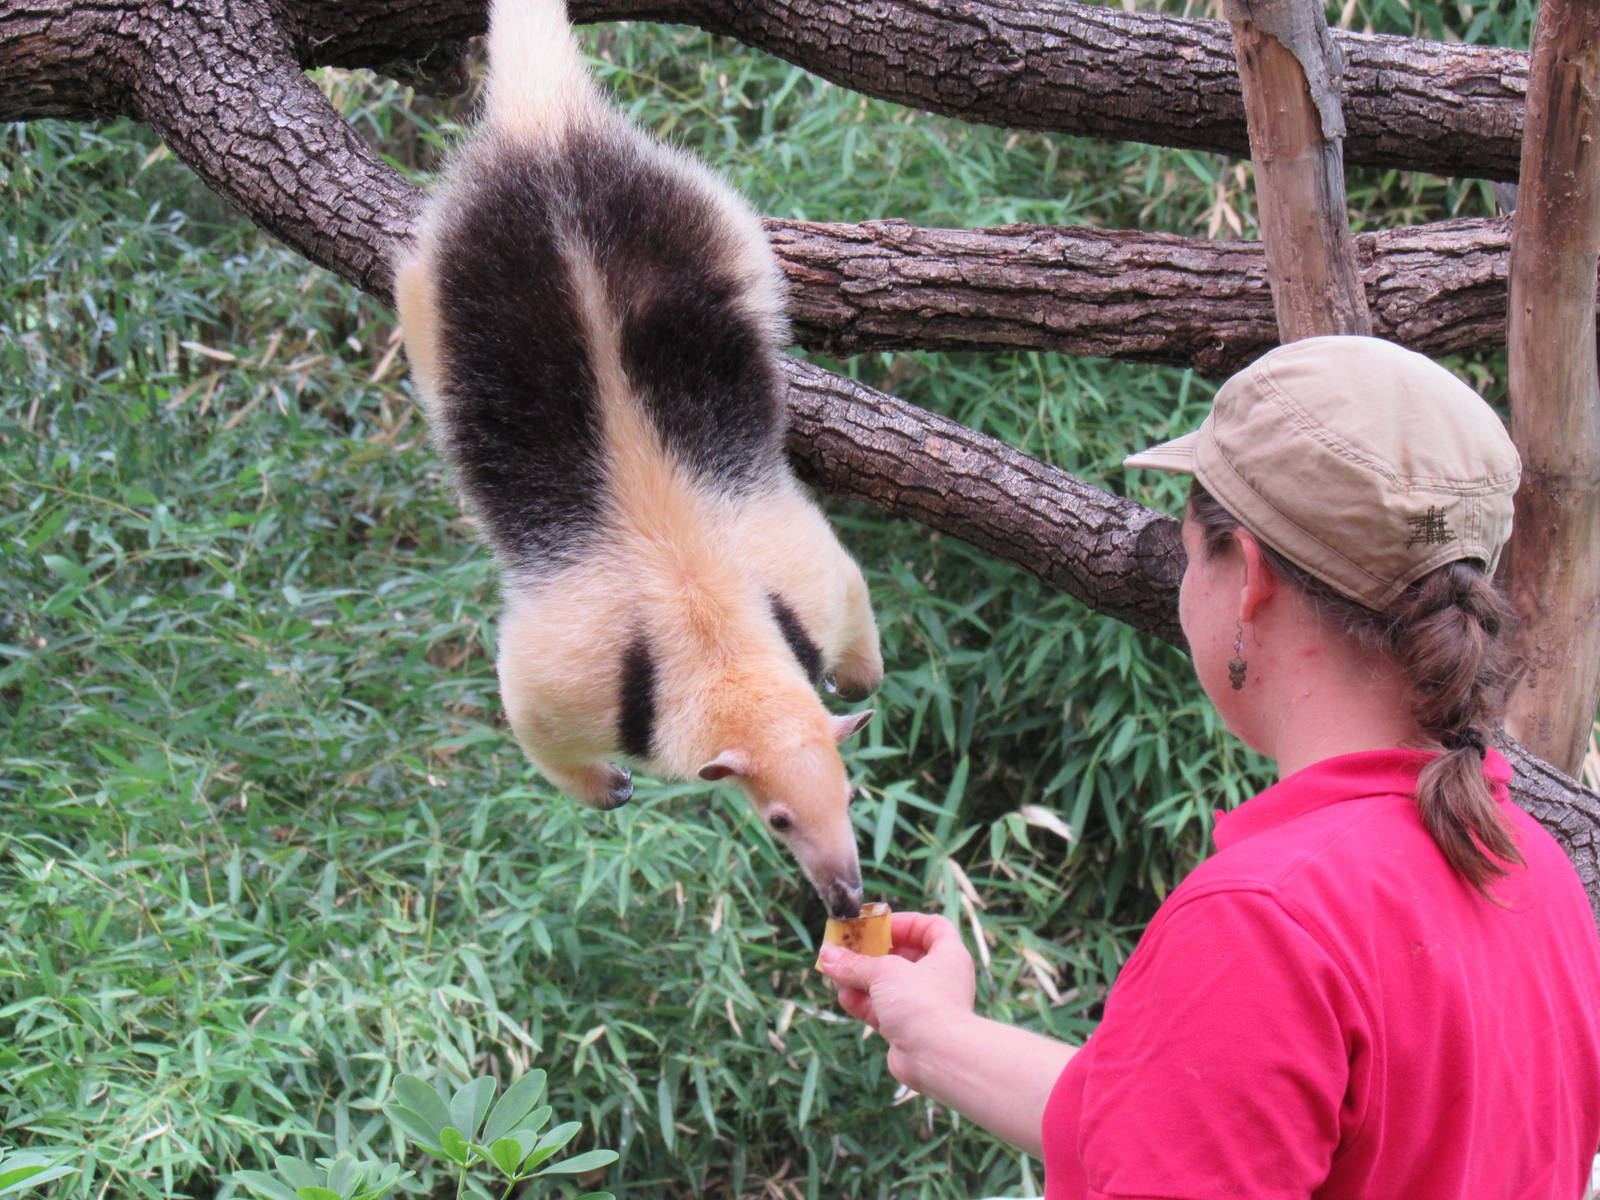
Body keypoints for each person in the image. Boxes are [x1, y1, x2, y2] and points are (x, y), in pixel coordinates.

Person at [816, 336, 1600, 1198]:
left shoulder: (1266, 923)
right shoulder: (1530, 870)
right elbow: (1195, 1124)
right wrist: (936, 1037)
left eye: (1191, 555)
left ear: (1250, 580)